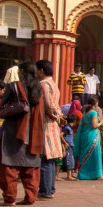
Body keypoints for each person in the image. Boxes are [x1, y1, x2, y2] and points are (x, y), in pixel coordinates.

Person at [0, 62, 43, 205]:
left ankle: (10, 198)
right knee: (31, 167)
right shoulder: (39, 88)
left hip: (13, 130)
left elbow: (0, 107)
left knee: (9, 166)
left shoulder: (13, 86)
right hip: (34, 132)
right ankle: (31, 197)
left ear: (21, 72)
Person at [34, 60, 63, 198]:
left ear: (41, 70)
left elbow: (49, 105)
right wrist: (59, 117)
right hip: (53, 125)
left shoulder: (43, 85)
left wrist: (55, 115)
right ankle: (49, 189)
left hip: (46, 124)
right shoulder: (53, 84)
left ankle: (45, 190)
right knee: (50, 159)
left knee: (45, 158)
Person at [61, 115, 77, 180]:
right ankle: (69, 176)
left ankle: (70, 175)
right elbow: (61, 135)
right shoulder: (67, 128)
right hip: (68, 146)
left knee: (72, 160)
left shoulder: (69, 127)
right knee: (69, 160)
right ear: (74, 121)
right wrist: (65, 143)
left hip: (70, 145)